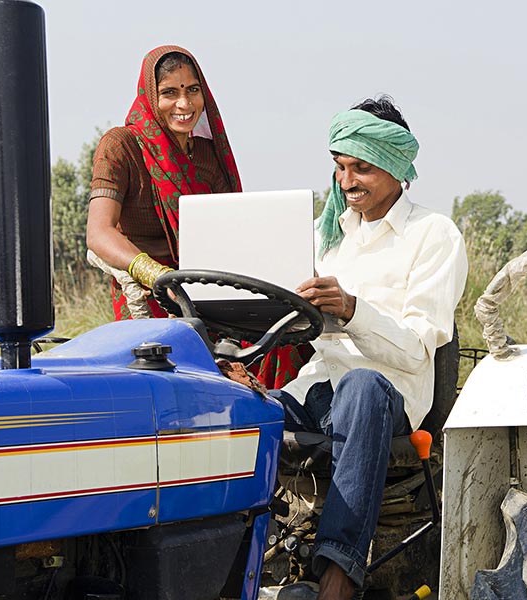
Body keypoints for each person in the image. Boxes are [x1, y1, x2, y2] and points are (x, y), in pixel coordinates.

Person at [272, 96, 468, 599]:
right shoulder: (324, 234)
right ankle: (248, 563)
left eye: (361, 168)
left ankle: (336, 579)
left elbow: (415, 349)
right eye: (340, 167)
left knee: (360, 385)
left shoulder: (434, 235)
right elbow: (300, 329)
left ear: (398, 167)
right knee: (240, 408)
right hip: (319, 390)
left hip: (390, 396)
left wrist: (354, 309)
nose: (346, 182)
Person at [86, 45, 304, 388]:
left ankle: (283, 431)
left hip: (210, 288)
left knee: (288, 340)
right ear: (149, 95)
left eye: (193, 90)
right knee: (184, 377)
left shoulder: (207, 155)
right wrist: (161, 277)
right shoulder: (120, 146)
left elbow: (234, 228)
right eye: (170, 93)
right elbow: (99, 233)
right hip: (151, 296)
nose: (184, 104)